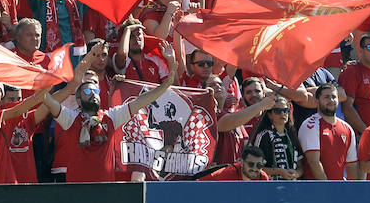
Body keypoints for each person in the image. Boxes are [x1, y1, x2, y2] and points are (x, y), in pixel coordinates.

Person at [43, 44, 180, 183]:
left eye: (95, 91)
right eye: (87, 91)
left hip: (106, 191)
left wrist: (166, 83)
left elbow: (141, 101)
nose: (93, 94)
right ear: (77, 99)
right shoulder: (70, 118)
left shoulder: (111, 117)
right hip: (77, 191)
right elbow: (48, 101)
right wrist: (42, 83)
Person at [299, 82, 359, 180]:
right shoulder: (310, 125)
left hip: (338, 190)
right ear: (317, 101)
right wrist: (328, 189)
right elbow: (314, 162)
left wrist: (351, 191)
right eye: (326, 97)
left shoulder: (347, 128)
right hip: (316, 190)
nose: (331, 100)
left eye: (334, 97)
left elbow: (351, 164)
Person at [200, 145, 271, 181]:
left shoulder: (263, 178)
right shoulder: (227, 174)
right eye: (251, 164)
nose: (255, 169)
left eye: (259, 165)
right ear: (242, 162)